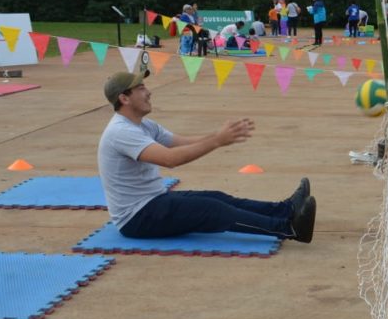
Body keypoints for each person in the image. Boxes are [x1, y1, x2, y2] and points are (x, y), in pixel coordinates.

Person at [97, 67, 316, 242]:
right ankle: (289, 228)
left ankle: (286, 210)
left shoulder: (143, 125)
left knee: (218, 197)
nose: (149, 92)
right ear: (125, 98)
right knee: (212, 210)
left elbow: (181, 143)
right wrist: (217, 141)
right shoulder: (121, 132)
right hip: (138, 218)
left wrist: (219, 136)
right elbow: (170, 159)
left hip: (154, 200)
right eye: (141, 88)